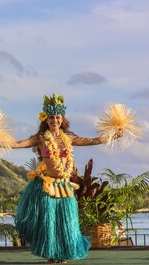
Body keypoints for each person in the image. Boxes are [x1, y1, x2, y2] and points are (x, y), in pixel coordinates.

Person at [12, 94, 122, 264]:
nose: (54, 120)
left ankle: (63, 253)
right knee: (50, 221)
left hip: (64, 185)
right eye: (51, 117)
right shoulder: (41, 138)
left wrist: (113, 136)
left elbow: (92, 140)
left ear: (62, 118)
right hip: (47, 185)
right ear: (45, 119)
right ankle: (51, 254)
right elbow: (18, 144)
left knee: (66, 221)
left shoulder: (68, 138)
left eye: (57, 117)